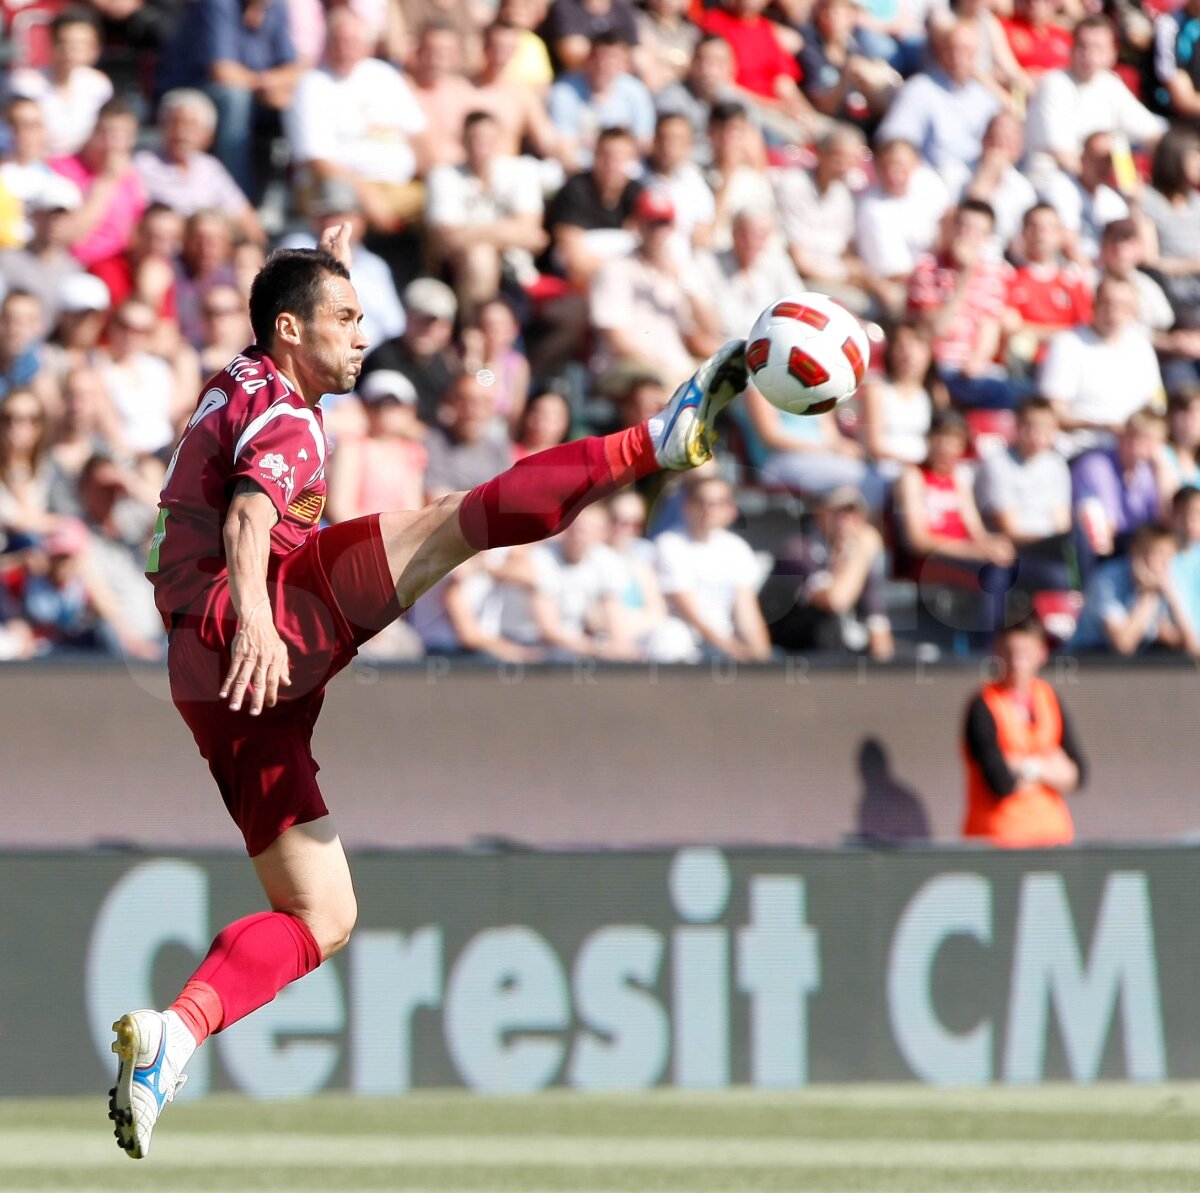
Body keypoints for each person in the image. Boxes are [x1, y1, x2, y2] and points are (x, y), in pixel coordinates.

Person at [108, 224, 750, 1160]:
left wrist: (328, 259)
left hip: (205, 678)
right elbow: (249, 518)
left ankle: (177, 1032)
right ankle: (656, 437)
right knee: (456, 520)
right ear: (290, 329)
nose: (363, 333)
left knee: (323, 914)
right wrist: (255, 618)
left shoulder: (243, 376)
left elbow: (283, 315)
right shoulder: (287, 416)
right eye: (345, 316)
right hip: (255, 621)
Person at [961, 617, 1086, 847]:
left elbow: (1078, 775)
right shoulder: (983, 705)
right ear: (997, 652)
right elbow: (1000, 781)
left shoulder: (1049, 698)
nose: (1017, 661)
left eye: (1025, 652)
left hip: (1054, 838)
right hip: (998, 841)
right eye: (1010, 652)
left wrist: (1024, 766)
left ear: (1041, 653)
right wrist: (1050, 768)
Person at [425, 110, 547, 319]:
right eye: (474, 139)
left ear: (499, 140)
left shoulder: (520, 170)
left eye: (487, 139)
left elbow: (532, 232)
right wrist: (511, 232)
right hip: (456, 275)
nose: (480, 146)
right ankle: (475, 331)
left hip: (518, 273)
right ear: (462, 140)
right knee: (481, 257)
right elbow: (447, 238)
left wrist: (470, 233)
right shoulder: (443, 175)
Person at [762, 484, 894, 659]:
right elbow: (834, 602)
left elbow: (878, 624)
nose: (847, 521)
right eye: (839, 513)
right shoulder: (797, 550)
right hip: (791, 656)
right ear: (820, 514)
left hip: (836, 657)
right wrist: (863, 552)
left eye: (854, 514)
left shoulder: (854, 559)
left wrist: (883, 668)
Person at [1040, 273, 1163, 457]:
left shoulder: (1141, 345)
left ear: (1133, 310)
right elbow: (1052, 412)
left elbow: (1156, 404)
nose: (1113, 312)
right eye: (1107, 303)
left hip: (1135, 451)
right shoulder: (1067, 343)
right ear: (1094, 303)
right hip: (1083, 449)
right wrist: (1103, 426)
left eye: (1122, 305)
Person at [877, 17, 1001, 197]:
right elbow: (894, 138)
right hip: (931, 176)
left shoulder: (985, 97)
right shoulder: (919, 89)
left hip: (976, 176)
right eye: (952, 49)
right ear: (942, 51)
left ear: (976, 55)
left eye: (965, 51)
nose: (958, 57)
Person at [654, 471, 771, 661]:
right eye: (701, 501)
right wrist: (735, 650)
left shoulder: (737, 548)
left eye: (718, 503)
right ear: (686, 506)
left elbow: (747, 611)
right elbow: (688, 612)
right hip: (684, 646)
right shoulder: (669, 544)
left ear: (731, 510)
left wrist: (762, 657)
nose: (709, 509)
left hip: (724, 646)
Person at [133, 89, 264, 244]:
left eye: (191, 125)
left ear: (208, 136)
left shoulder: (210, 167)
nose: (181, 132)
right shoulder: (142, 165)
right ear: (161, 126)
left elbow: (245, 218)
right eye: (174, 122)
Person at [1070, 522, 1198, 655]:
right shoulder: (1107, 579)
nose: (1155, 562)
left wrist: (1172, 598)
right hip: (1088, 656)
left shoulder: (1172, 580)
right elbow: (1123, 645)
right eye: (1149, 553)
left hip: (1138, 659)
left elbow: (1192, 647)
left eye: (1164, 556)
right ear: (1134, 551)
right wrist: (1149, 594)